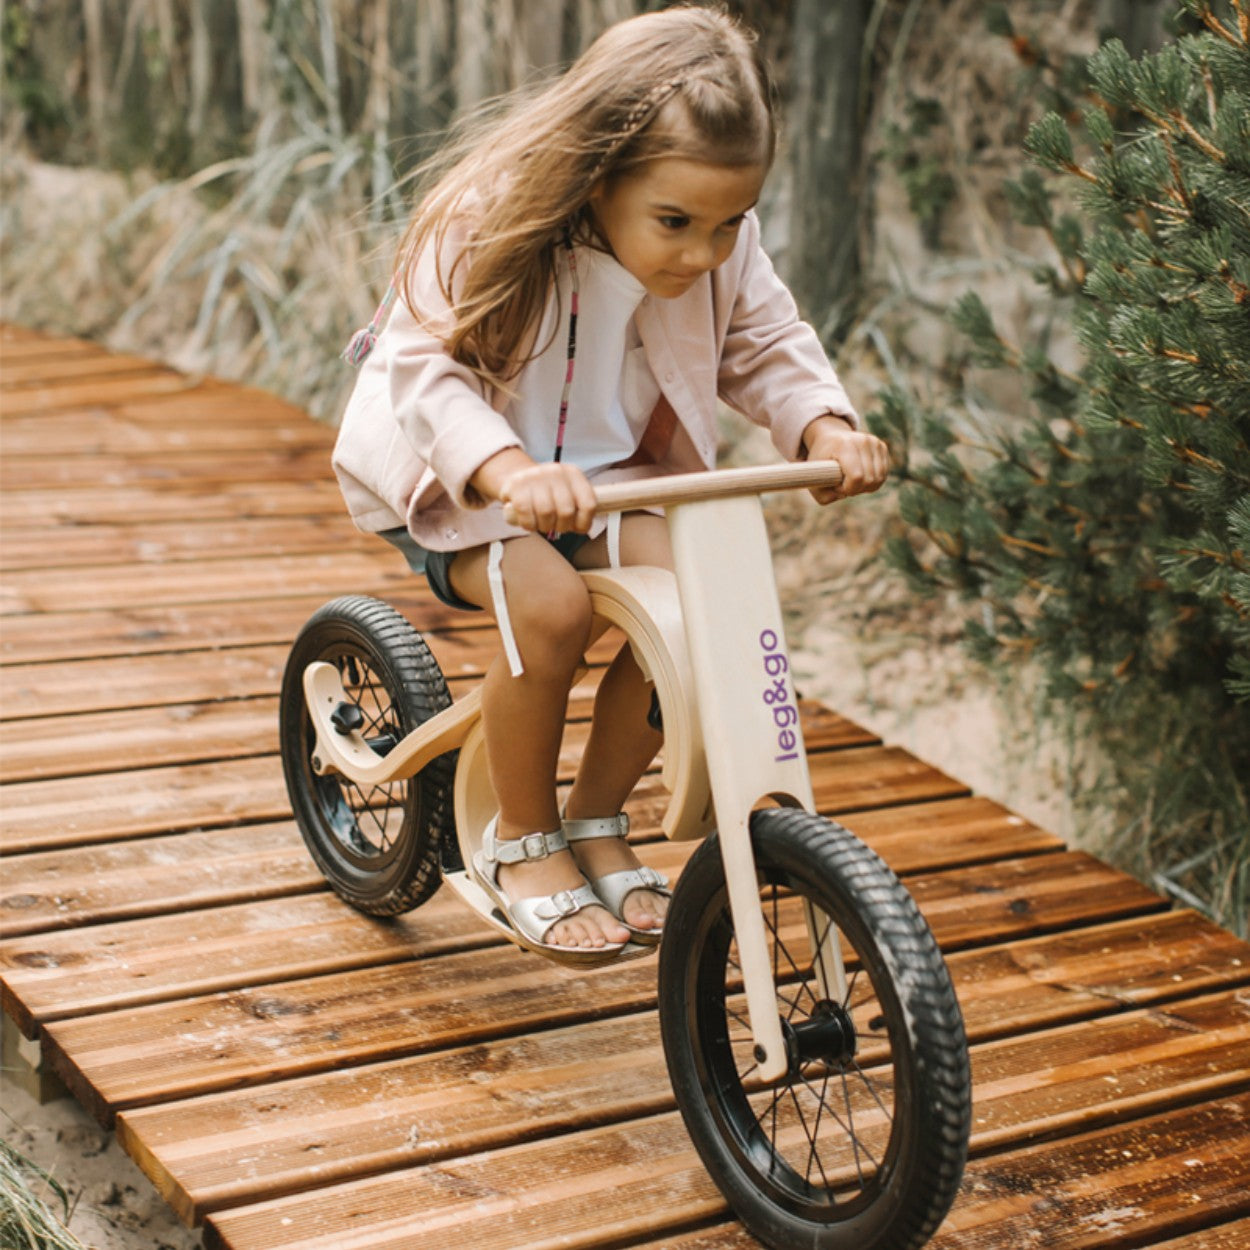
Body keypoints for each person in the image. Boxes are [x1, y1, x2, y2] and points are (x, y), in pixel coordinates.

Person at [332, 4, 890, 961]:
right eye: (676, 222)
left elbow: (766, 343)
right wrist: (506, 470)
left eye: (729, 224)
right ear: (598, 175)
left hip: (617, 483)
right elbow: (424, 370)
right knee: (546, 606)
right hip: (462, 484)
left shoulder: (718, 247)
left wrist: (825, 424)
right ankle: (523, 836)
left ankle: (595, 819)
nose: (702, 253)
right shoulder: (487, 217)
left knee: (700, 591)